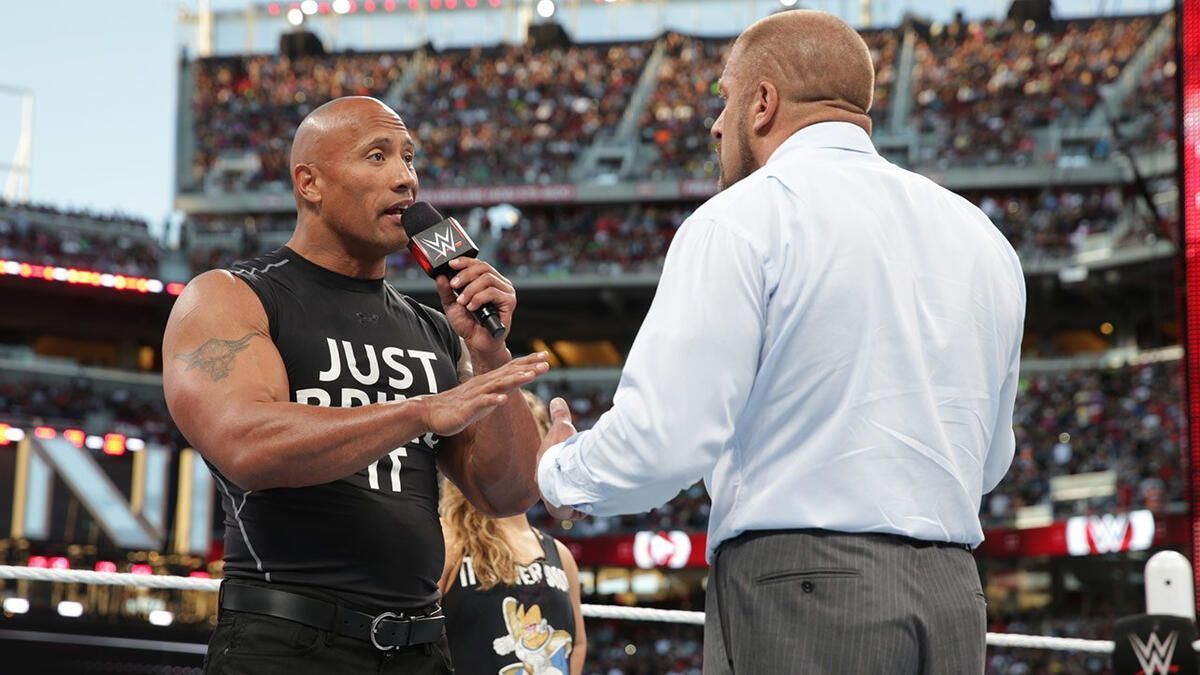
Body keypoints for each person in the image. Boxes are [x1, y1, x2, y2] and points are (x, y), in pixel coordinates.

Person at [535, 10, 1025, 675]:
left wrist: (558, 472)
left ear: (762, 102)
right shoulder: (982, 237)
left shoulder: (743, 217)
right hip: (953, 595)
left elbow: (664, 439)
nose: (715, 123)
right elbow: (990, 460)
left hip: (800, 585)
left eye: (725, 97)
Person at [163, 96, 551, 674]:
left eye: (410, 159)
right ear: (310, 182)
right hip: (287, 642)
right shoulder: (232, 297)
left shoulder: (434, 331)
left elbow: (509, 492)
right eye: (377, 157)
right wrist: (418, 412)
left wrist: (489, 350)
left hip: (420, 647)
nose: (405, 180)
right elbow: (246, 444)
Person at [439, 390, 586, 675]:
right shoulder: (448, 539)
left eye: (527, 437)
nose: (515, 451)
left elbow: (576, 643)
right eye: (504, 437)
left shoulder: (561, 555)